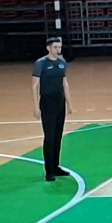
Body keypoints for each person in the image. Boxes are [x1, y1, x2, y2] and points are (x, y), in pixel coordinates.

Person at [31, 37, 73, 182]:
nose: (58, 50)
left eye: (59, 47)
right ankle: (49, 170)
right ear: (48, 48)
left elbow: (65, 83)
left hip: (59, 103)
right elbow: (34, 86)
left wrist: (69, 103)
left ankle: (56, 166)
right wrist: (36, 106)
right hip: (47, 103)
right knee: (49, 137)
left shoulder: (62, 62)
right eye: (55, 47)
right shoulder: (40, 63)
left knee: (58, 136)